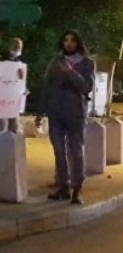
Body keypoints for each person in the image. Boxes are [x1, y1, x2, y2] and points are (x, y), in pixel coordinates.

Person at [42, 30, 94, 205]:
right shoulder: (55, 62)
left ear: (78, 43)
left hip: (76, 113)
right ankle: (63, 186)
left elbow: (86, 87)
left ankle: (78, 187)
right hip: (56, 113)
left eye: (72, 40)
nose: (69, 43)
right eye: (66, 40)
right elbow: (47, 86)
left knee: (76, 151)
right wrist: (41, 111)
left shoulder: (87, 63)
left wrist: (71, 72)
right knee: (58, 150)